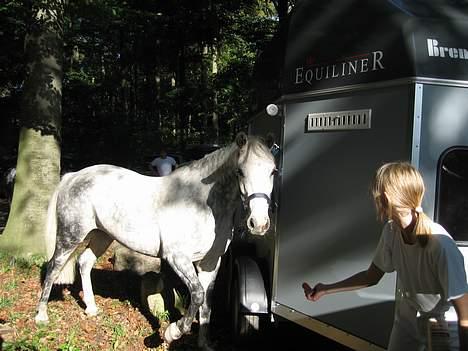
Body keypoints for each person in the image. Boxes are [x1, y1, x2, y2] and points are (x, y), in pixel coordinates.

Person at [302, 162, 468, 351]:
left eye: (377, 193)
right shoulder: (391, 231)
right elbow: (370, 277)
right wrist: (326, 289)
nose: (374, 198)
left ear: (388, 198)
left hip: (439, 323)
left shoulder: (439, 243)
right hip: (407, 316)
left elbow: (465, 312)